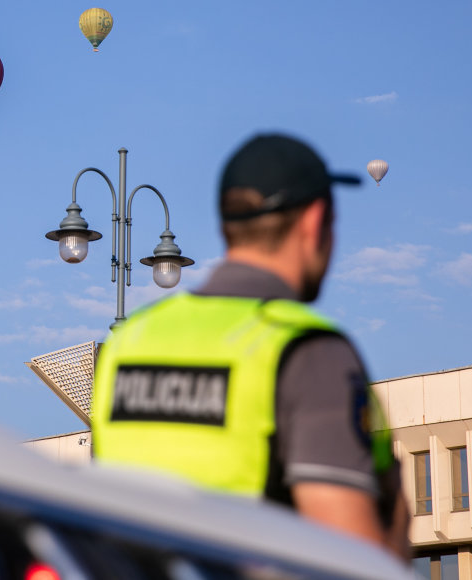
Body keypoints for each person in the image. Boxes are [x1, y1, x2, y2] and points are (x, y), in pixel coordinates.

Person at [91, 133, 410, 561]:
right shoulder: (308, 351)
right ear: (315, 222)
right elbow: (354, 561)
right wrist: (399, 520)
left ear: (227, 224)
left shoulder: (127, 344)